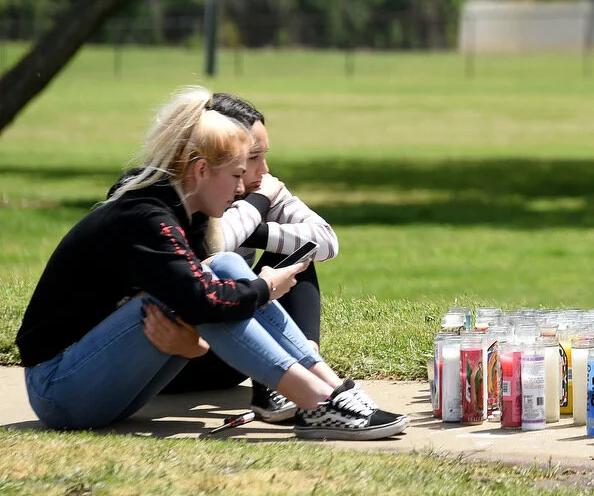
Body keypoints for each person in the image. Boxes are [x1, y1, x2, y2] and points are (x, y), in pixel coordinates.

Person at [15, 87, 407, 440]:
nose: (243, 187)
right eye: (237, 172)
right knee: (212, 280)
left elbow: (209, 292)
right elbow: (204, 302)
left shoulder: (187, 207)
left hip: (110, 391)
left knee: (223, 268)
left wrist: (197, 341)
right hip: (60, 391)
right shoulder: (146, 214)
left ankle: (331, 391)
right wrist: (267, 286)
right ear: (201, 170)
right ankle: (317, 401)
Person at [159, 92, 338, 424]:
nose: (263, 170)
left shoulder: (263, 187)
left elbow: (327, 240)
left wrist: (261, 229)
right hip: (177, 363)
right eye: (252, 157)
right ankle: (291, 379)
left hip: (236, 358)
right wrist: (255, 206)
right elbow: (215, 249)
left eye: (262, 155)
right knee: (228, 266)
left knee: (298, 255)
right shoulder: (184, 191)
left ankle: (300, 369)